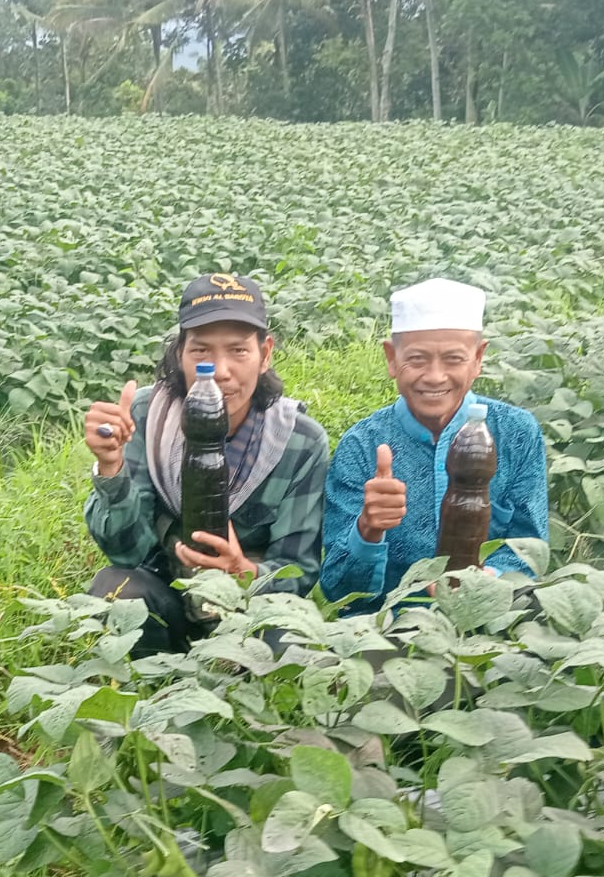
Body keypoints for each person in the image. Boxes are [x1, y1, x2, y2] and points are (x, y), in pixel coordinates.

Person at [82, 273, 329, 655]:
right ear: (179, 353)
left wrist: (242, 572)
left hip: (249, 607)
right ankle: (157, 681)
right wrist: (111, 468)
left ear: (265, 354)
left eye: (238, 350)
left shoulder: (299, 440)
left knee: (289, 639)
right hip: (167, 594)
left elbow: (299, 570)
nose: (220, 369)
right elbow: (125, 553)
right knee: (115, 588)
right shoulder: (149, 417)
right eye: (201, 351)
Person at [320, 277, 549, 613]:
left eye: (454, 359)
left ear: (478, 358)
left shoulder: (516, 433)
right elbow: (337, 591)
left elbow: (529, 548)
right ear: (391, 358)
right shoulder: (362, 444)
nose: (434, 376)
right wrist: (367, 529)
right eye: (417, 359)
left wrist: (491, 578)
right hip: (386, 626)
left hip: (490, 617)